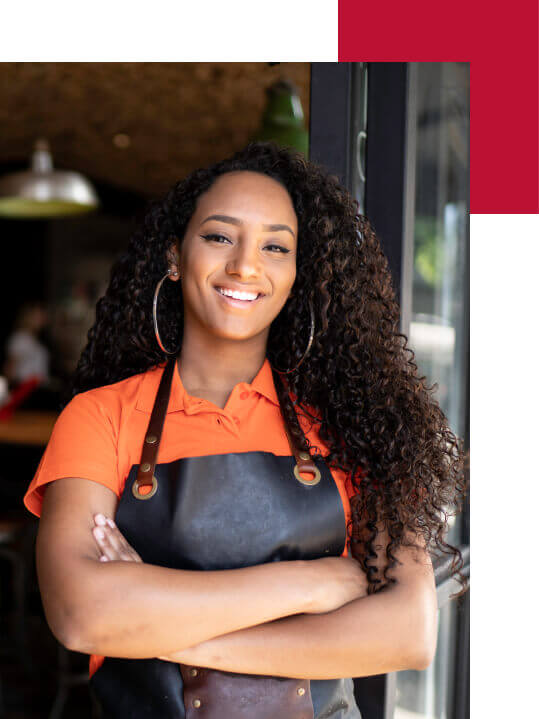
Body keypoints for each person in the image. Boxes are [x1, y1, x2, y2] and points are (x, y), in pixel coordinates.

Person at [23, 142, 467, 718]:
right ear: (175, 256)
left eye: (275, 246)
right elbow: (80, 614)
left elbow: (406, 634)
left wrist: (160, 633)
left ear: (295, 274)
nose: (245, 265)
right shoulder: (101, 416)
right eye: (219, 236)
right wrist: (306, 586)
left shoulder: (353, 424)